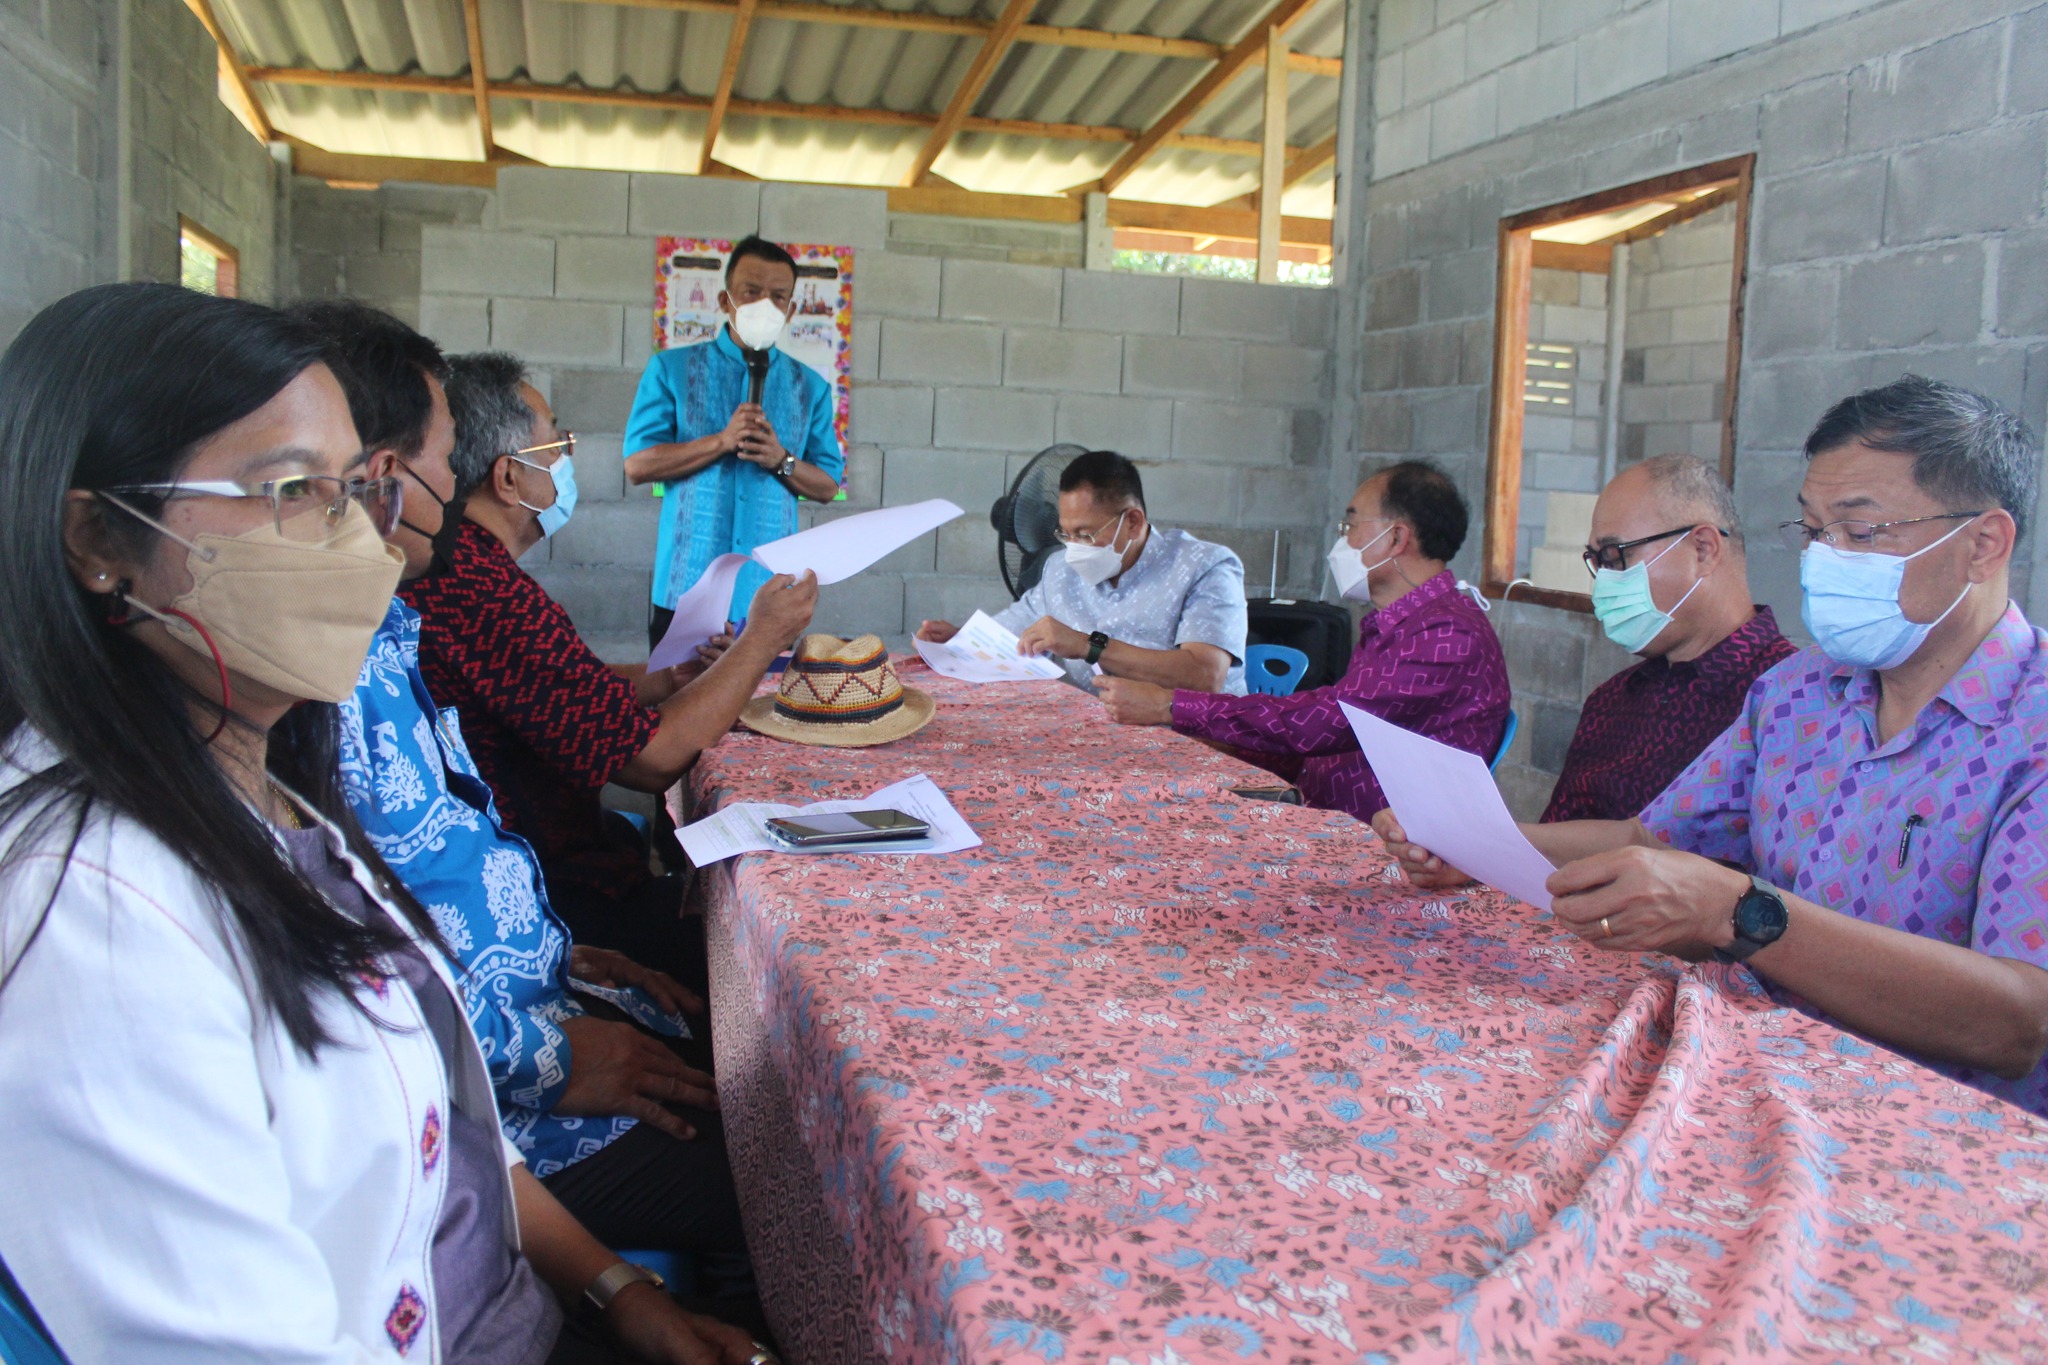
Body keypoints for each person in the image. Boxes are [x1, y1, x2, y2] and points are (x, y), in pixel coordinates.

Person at [0, 282, 760, 1364]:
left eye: (358, 486)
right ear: (97, 536)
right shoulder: (91, 924)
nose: (366, 536)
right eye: (293, 491)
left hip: (521, 1301)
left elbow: (436, 1115)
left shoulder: (274, 794)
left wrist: (613, 1292)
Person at [1377, 376, 2048, 1119]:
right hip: (1752, 1079)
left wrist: (1742, 914)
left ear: (1983, 543)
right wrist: (1477, 843)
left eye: (1860, 533)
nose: (1824, 560)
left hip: (1929, 1127)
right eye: (1813, 532)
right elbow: (1647, 835)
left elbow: (2020, 1021)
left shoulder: (2031, 726)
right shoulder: (1798, 694)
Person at [295, 302, 756, 1310]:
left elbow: (450, 867)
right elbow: (643, 758)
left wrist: (551, 955)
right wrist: (766, 638)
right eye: (435, 460)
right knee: (773, 1153)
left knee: (747, 1069)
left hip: (535, 989)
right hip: (508, 1094)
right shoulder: (348, 660)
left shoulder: (386, 636)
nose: (429, 495)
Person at [402, 351, 818, 963]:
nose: (566, 463)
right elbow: (649, 762)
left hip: (531, 871)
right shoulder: (483, 591)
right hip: (545, 900)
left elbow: (561, 689)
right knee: (764, 947)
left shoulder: (466, 569)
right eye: (555, 447)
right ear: (508, 478)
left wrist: (667, 680)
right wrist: (762, 638)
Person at [1099, 460, 1509, 822]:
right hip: (1323, 808)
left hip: (1385, 842)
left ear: (1396, 539)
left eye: (1350, 526)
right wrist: (1222, 740)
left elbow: (1329, 722)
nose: (1342, 541)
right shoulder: (1399, 623)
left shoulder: (1447, 634)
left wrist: (1172, 706)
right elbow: (1331, 737)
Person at [1544, 454, 1796, 821]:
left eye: (1616, 557)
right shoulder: (1611, 702)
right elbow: (1550, 847)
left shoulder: (1793, 702)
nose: (1604, 583)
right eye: (1597, 562)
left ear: (1703, 550)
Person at [624, 235, 844, 648]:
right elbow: (638, 465)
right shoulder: (670, 369)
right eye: (751, 292)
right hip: (685, 588)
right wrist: (720, 442)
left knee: (762, 710)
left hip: (766, 597)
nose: (765, 304)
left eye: (779, 297)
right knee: (677, 707)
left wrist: (782, 460)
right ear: (726, 301)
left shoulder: (809, 387)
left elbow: (828, 485)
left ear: (792, 310)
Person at [917, 450, 1249, 693]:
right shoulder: (1059, 571)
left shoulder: (1205, 567)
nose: (1074, 547)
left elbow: (1206, 676)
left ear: (1132, 522)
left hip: (1196, 746)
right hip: (1098, 740)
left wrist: (1088, 646)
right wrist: (964, 639)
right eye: (1066, 533)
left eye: (1086, 534)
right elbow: (1010, 637)